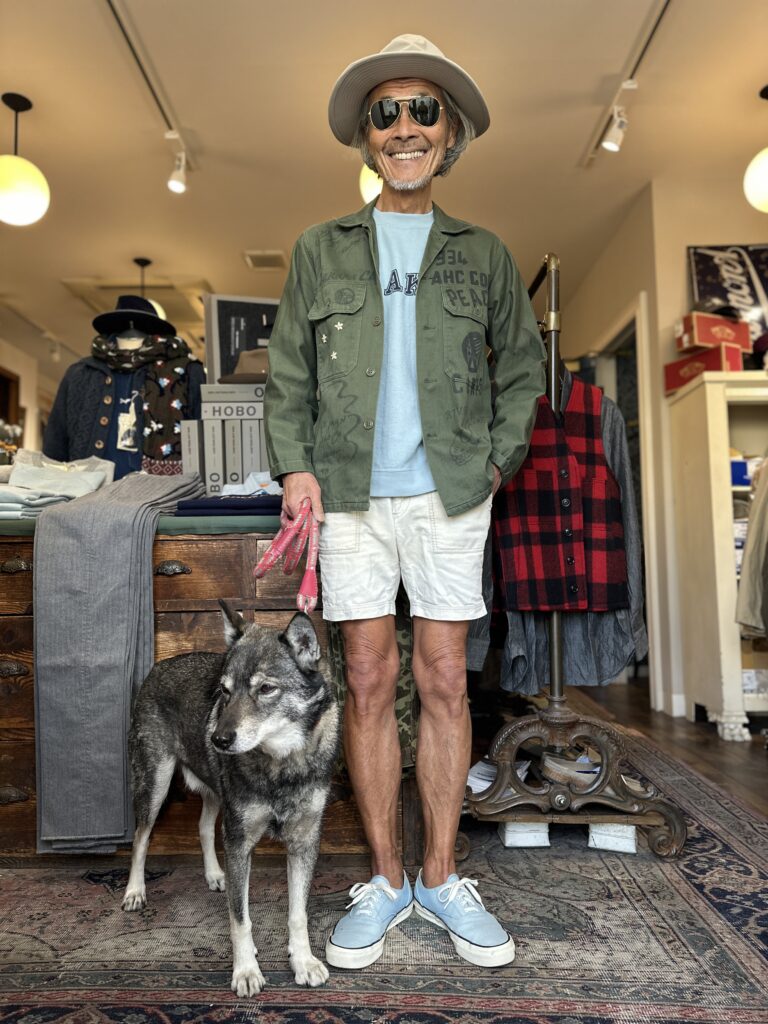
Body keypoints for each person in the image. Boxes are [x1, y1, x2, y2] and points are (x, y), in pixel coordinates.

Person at [264, 34, 546, 970]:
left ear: (449, 133)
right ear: (367, 137)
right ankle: (386, 880)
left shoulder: (486, 254)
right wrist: (295, 466)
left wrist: (496, 461)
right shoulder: (319, 249)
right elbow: (289, 374)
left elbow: (524, 371)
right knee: (367, 678)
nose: (404, 127)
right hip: (347, 494)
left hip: (450, 495)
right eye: (385, 113)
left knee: (445, 678)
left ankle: (441, 875)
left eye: (423, 110)